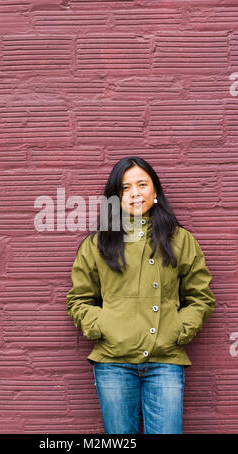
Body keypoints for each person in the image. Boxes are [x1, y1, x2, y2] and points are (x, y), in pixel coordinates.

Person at [66, 156, 215, 434]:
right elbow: (79, 299)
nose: (135, 193)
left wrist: (178, 329)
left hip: (165, 361)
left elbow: (201, 297)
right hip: (113, 362)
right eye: (125, 188)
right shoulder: (97, 244)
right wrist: (103, 326)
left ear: (155, 191)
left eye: (142, 184)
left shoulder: (180, 240)